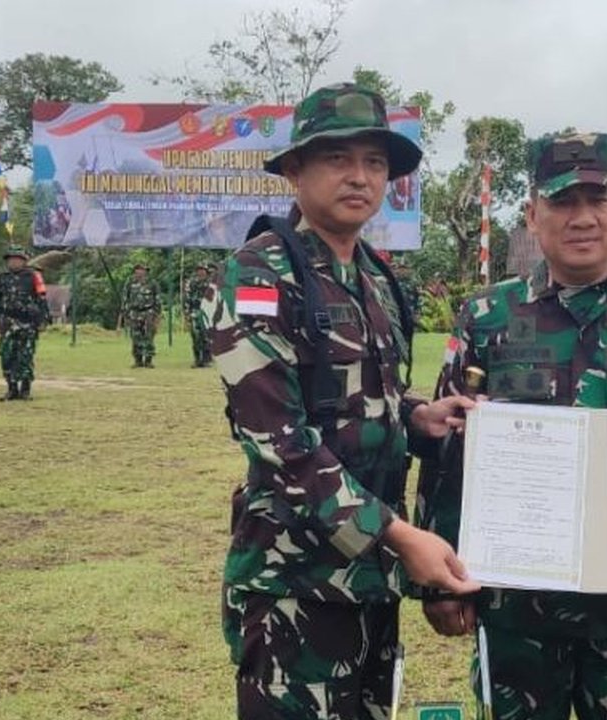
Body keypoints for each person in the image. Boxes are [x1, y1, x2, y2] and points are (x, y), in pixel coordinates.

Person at [416, 131, 607, 720]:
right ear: (533, 215)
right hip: (515, 608)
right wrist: (437, 580)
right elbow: (447, 449)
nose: (582, 218)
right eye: (562, 202)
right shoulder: (488, 317)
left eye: (598, 200)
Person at [205, 83, 480, 720]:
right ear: (296, 170)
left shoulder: (375, 279)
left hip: (369, 579)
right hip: (295, 581)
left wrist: (417, 416)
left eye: (375, 163)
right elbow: (279, 439)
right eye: (338, 158)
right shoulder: (259, 276)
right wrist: (399, 534)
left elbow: (355, 393)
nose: (359, 177)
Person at [0, 247, 46, 401]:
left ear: (24, 261)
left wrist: (41, 321)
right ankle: (11, 389)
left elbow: (42, 300)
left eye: (17, 259)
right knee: (7, 356)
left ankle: (25, 389)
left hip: (27, 323)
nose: (14, 262)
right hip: (7, 323)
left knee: (25, 357)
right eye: (11, 259)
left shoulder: (34, 276)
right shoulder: (1, 277)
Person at [122, 264, 160, 367]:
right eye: (137, 270)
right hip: (134, 313)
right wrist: (125, 314)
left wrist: (157, 315)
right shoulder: (130, 283)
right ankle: (138, 360)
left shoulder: (152, 283)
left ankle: (148, 360)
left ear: (145, 271)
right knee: (135, 337)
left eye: (142, 270)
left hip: (148, 313)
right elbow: (125, 299)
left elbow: (157, 299)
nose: (139, 272)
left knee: (148, 336)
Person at [183, 263, 213, 368]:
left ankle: (206, 359)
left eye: (202, 270)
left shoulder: (211, 283)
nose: (200, 272)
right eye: (198, 270)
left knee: (206, 336)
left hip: (207, 313)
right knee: (195, 336)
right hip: (195, 312)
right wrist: (187, 314)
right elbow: (187, 299)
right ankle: (197, 359)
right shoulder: (191, 283)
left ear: (206, 271)